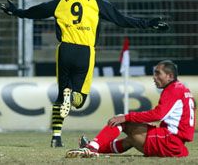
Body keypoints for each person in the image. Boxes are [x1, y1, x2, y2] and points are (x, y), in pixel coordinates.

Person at [0, 0, 168, 148]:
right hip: (85, 51)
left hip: (64, 49)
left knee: (60, 95)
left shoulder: (62, 1)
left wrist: (16, 12)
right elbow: (122, 20)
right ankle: (71, 96)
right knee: (79, 101)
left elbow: (37, 11)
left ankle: (56, 137)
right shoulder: (97, 3)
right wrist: (148, 23)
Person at [66, 60, 196, 158]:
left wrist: (127, 117)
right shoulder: (184, 90)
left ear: (170, 76)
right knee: (130, 140)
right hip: (175, 145)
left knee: (121, 120)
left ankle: (91, 147)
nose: (154, 77)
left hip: (168, 141)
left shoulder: (173, 89)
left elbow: (158, 114)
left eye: (158, 73)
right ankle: (92, 147)